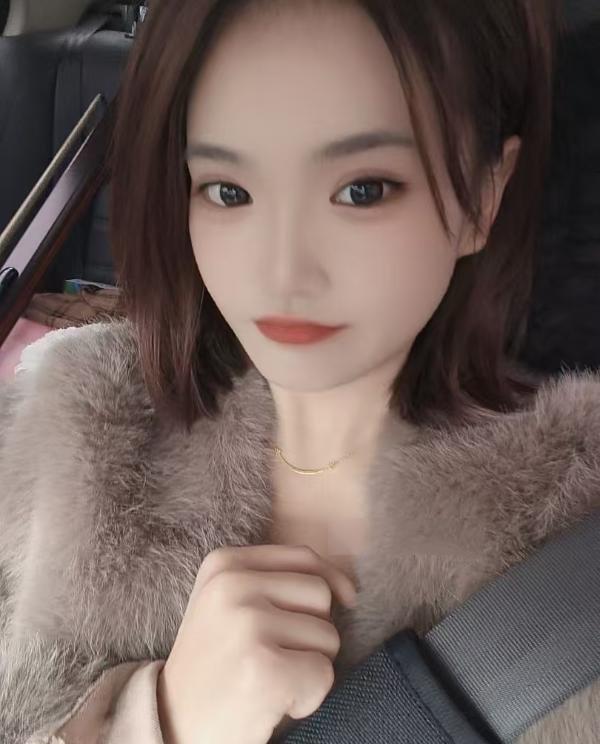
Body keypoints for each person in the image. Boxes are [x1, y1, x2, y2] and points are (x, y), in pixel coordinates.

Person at [1, 0, 598, 742]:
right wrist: (161, 721)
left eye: (363, 190)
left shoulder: (572, 542)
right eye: (229, 191)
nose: (282, 271)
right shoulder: (73, 438)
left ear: (482, 196)